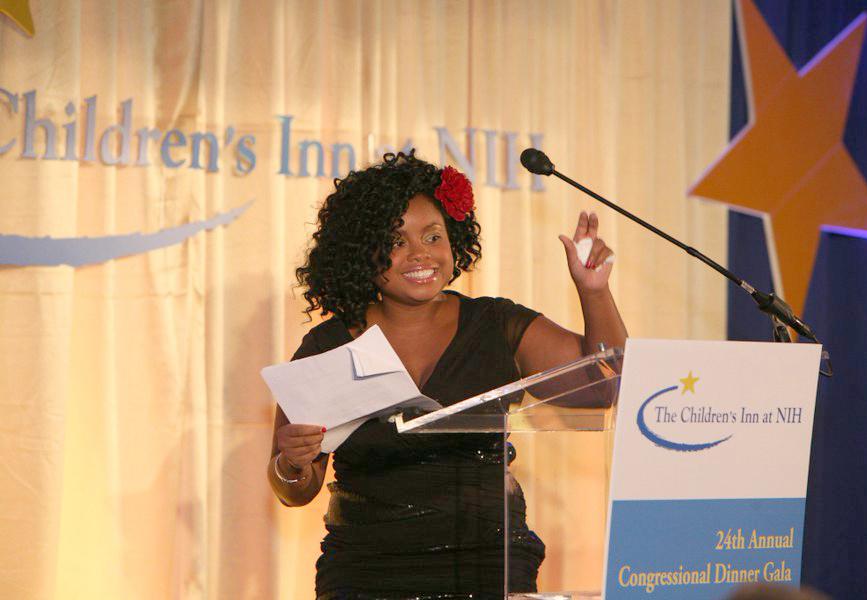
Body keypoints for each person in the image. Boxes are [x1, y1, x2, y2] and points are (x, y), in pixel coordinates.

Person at [267, 150, 627, 599]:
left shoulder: (496, 324)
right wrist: (293, 463)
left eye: (433, 236)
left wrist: (594, 293)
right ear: (363, 253)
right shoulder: (329, 346)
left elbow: (607, 384)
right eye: (396, 241)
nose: (420, 254)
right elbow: (294, 490)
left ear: (454, 241)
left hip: (487, 565)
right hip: (366, 571)